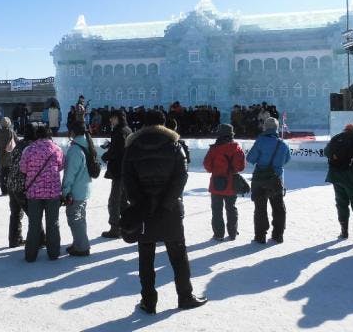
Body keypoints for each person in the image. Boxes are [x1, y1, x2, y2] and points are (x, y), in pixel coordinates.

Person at [122, 110, 207, 314]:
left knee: (146, 256)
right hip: (169, 209)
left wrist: (141, 203)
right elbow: (181, 177)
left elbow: (128, 181)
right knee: (178, 255)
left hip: (143, 209)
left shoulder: (132, 147)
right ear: (164, 124)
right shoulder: (174, 145)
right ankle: (185, 296)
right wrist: (166, 203)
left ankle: (148, 302)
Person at [20, 125, 64, 262]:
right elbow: (61, 165)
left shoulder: (29, 149)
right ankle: (54, 253)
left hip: (34, 193)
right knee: (53, 223)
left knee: (34, 224)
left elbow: (23, 168)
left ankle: (30, 255)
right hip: (53, 192)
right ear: (49, 135)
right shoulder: (57, 149)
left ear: (37, 136)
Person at [246, 117, 291, 244]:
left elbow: (250, 159)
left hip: (259, 179)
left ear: (265, 127)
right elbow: (286, 160)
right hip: (276, 180)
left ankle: (260, 236)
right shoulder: (283, 144)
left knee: (260, 208)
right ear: (276, 128)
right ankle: (278, 235)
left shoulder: (260, 141)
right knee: (278, 208)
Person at [203, 123, 246, 241]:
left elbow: (207, 166)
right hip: (232, 184)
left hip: (216, 184)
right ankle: (232, 233)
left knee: (217, 210)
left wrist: (216, 170)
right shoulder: (237, 148)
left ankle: (218, 234)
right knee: (231, 208)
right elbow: (241, 167)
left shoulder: (214, 149)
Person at [63, 121, 93, 256]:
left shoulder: (75, 149)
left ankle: (82, 247)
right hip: (85, 188)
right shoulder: (87, 144)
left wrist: (66, 191)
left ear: (73, 132)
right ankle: (79, 243)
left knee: (74, 219)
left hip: (76, 190)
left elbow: (70, 173)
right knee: (80, 218)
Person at [100, 110, 132, 239]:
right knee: (124, 201)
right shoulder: (128, 130)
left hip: (119, 171)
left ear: (118, 118)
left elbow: (117, 151)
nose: (110, 120)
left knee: (114, 201)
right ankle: (128, 226)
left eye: (112, 118)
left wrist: (106, 155)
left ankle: (115, 228)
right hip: (127, 171)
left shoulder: (118, 132)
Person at [7, 123, 38, 248]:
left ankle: (14, 239)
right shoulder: (31, 147)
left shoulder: (18, 144)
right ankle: (39, 238)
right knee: (33, 214)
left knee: (15, 213)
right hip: (23, 185)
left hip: (11, 182)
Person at [0, 117, 17, 195]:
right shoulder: (11, 132)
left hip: (1, 156)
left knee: (2, 173)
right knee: (9, 174)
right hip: (10, 156)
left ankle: (3, 190)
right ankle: (9, 189)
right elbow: (17, 142)